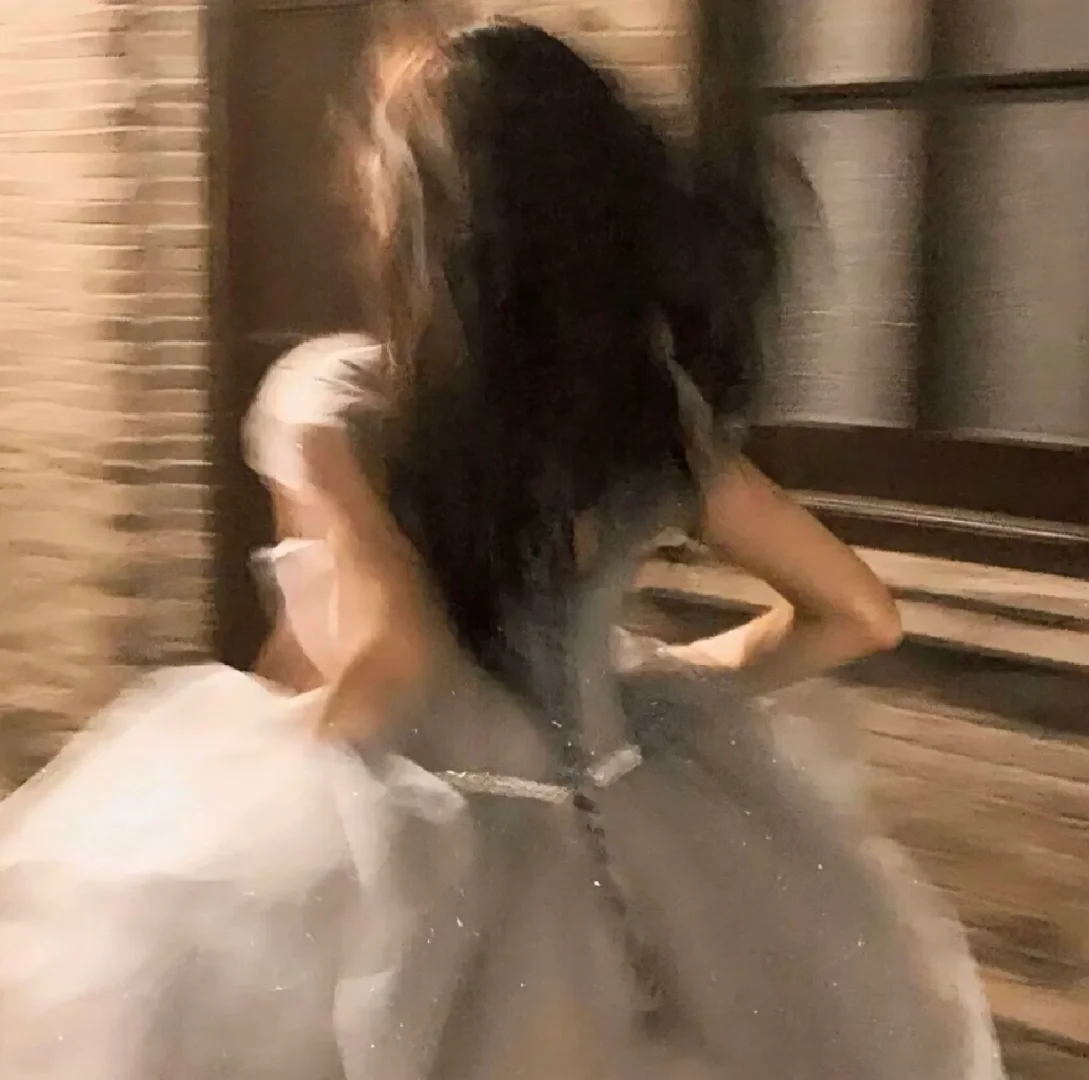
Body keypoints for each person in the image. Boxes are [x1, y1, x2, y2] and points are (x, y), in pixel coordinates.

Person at [0, 17, 1004, 1080]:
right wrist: (655, 693)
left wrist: (253, 783)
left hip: (443, 865)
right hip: (647, 846)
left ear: (430, 211)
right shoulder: (648, 417)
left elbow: (392, 665)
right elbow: (858, 614)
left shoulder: (341, 403)